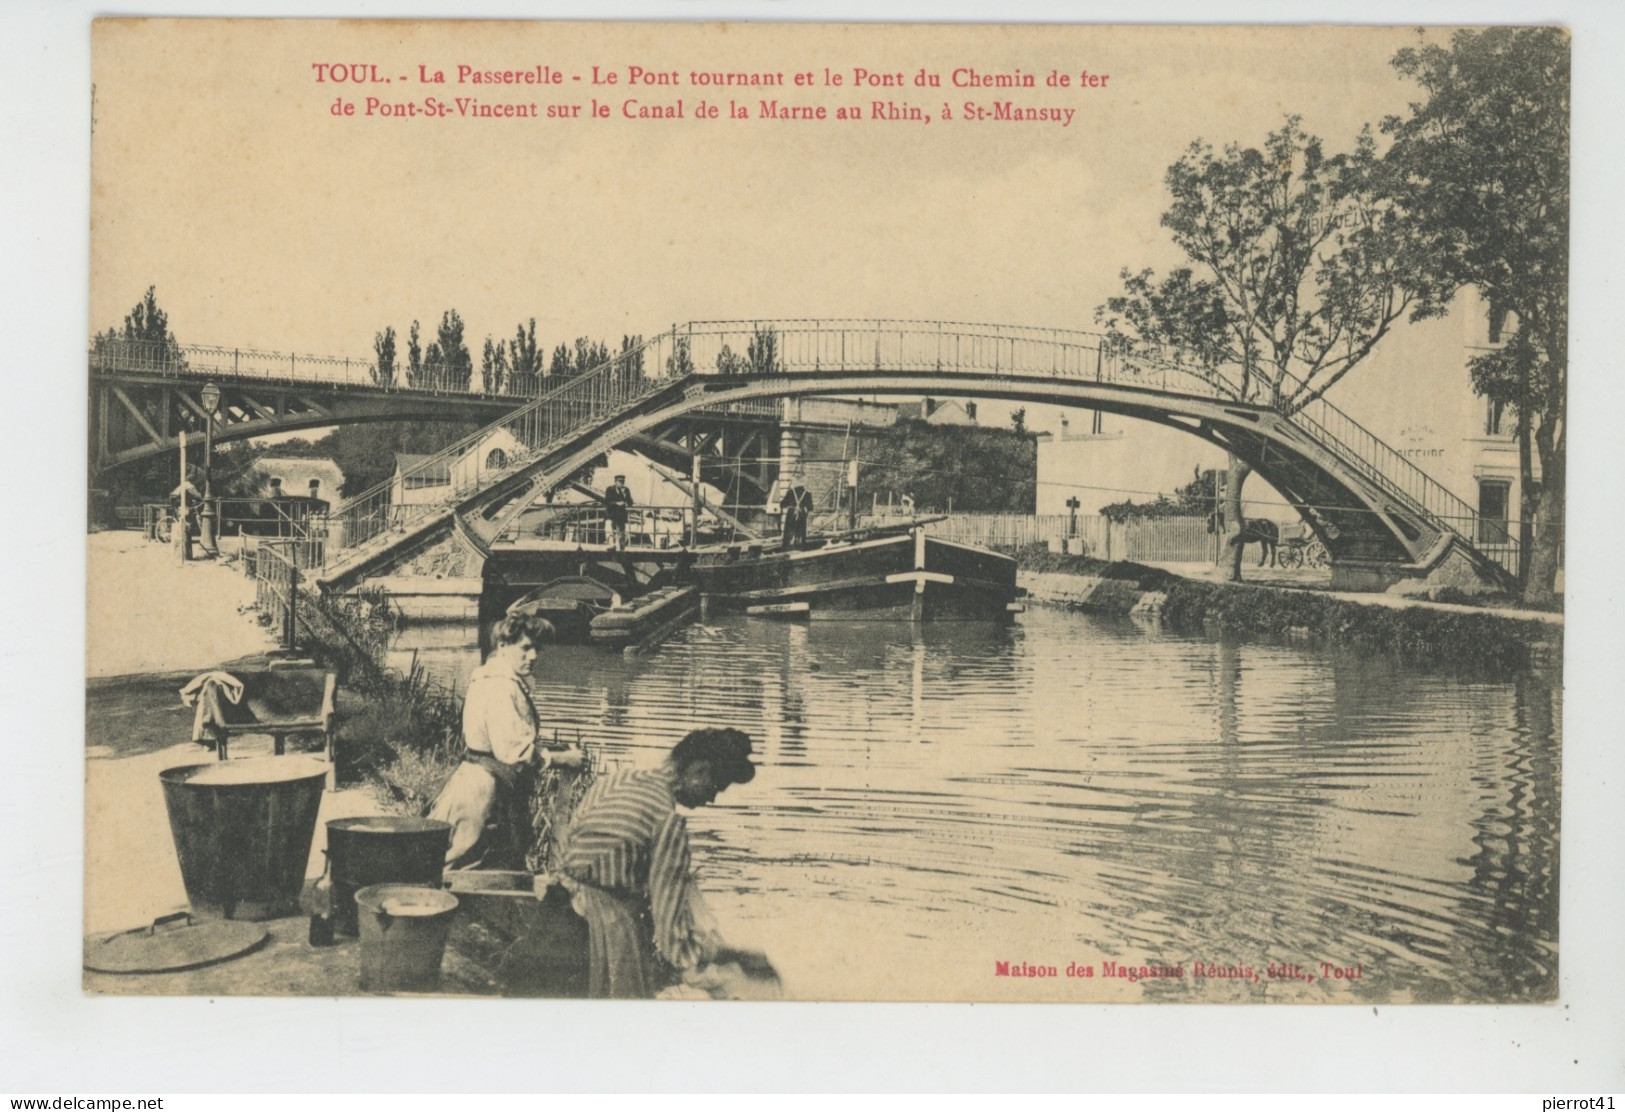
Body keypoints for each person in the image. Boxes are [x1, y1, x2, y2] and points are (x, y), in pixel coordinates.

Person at [560, 727, 775, 998]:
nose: (711, 799)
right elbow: (667, 908)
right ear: (699, 771)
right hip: (607, 925)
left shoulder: (616, 780)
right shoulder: (666, 819)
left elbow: (574, 839)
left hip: (561, 901)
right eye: (715, 787)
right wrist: (695, 961)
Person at [428, 616, 583, 869]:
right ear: (502, 646)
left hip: (473, 777)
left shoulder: (486, 676)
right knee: (473, 867)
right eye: (525, 648)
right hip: (488, 790)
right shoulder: (502, 687)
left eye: (537, 648)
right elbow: (513, 753)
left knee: (461, 860)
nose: (533, 656)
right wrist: (561, 758)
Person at [780, 473, 813, 548]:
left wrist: (790, 505)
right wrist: (804, 511)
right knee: (801, 530)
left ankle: (787, 546)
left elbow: (782, 504)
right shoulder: (807, 494)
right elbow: (810, 507)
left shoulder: (790, 492)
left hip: (791, 514)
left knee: (789, 530)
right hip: (801, 514)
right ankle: (800, 545)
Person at [603, 473, 635, 551]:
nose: (621, 483)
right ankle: (611, 545)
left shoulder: (626, 490)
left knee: (621, 533)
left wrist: (624, 495)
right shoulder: (609, 489)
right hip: (611, 513)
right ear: (615, 481)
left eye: (623, 481)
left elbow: (630, 503)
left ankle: (621, 548)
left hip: (621, 515)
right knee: (609, 528)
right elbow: (606, 501)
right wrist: (616, 503)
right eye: (620, 481)